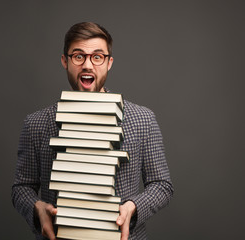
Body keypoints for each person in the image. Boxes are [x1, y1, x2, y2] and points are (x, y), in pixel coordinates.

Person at [11, 22, 174, 240]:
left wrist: (133, 207)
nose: (88, 65)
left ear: (109, 63)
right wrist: (36, 208)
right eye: (78, 56)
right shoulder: (37, 123)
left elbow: (161, 185)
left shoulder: (142, 119)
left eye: (97, 57)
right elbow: (22, 187)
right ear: (65, 61)